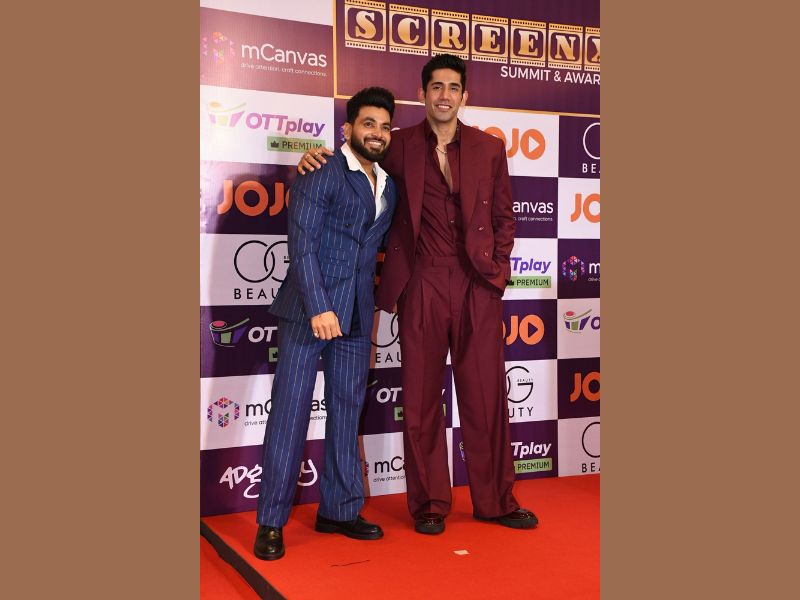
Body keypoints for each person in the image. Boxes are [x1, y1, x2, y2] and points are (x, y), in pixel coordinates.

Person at [298, 55, 537, 535]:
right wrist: (310, 160)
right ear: (423, 94)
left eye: (453, 87)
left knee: (486, 396)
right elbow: (354, 159)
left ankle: (496, 500)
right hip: (421, 280)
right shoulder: (398, 144)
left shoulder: (490, 148)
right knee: (422, 397)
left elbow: (505, 217)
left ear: (464, 96)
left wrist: (497, 270)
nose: (444, 95)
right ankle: (429, 502)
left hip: (477, 284)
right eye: (436, 87)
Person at [254, 87, 397, 560]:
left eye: (384, 126)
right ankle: (270, 522)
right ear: (348, 128)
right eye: (368, 124)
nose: (377, 133)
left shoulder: (388, 186)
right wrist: (319, 307)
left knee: (346, 412)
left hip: (355, 314)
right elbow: (302, 245)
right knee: (290, 412)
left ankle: (338, 509)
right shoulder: (321, 171)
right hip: (307, 312)